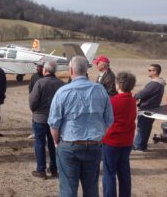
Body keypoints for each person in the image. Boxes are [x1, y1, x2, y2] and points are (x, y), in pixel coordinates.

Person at [48, 56, 114, 197]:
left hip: (69, 145)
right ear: (86, 70)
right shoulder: (100, 90)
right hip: (94, 145)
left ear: (71, 70)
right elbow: (109, 121)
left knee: (68, 190)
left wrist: (56, 142)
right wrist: (99, 137)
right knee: (91, 189)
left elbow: (54, 124)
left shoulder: (63, 92)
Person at [102, 71, 137, 197]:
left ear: (118, 84)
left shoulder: (113, 101)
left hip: (111, 141)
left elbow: (104, 119)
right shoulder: (132, 100)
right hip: (126, 141)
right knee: (124, 172)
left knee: (110, 173)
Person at [29, 61, 64, 179]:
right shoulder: (61, 84)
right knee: (54, 143)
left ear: (45, 70)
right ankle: (54, 169)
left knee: (40, 143)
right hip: (56, 120)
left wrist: (35, 111)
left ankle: (41, 170)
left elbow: (32, 102)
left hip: (40, 119)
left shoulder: (40, 83)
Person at [133, 64, 166, 151]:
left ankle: (139, 146)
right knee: (146, 127)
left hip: (147, 109)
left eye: (150, 70)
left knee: (142, 127)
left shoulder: (154, 84)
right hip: (151, 108)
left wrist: (134, 97)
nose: (148, 71)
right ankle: (141, 145)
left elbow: (141, 94)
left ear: (155, 71)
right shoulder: (158, 83)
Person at [27, 61, 44, 139]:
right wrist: (32, 97)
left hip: (44, 101)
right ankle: (34, 132)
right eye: (37, 66)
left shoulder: (46, 76)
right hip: (35, 100)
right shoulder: (34, 77)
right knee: (34, 117)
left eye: (40, 67)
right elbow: (30, 87)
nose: (38, 68)